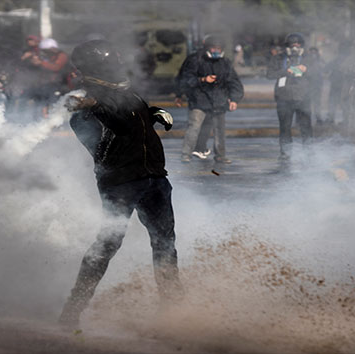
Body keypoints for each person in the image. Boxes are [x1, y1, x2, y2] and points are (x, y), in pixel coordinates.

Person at [59, 39, 182, 327]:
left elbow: (132, 118)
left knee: (165, 242)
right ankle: (73, 309)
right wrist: (96, 105)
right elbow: (116, 128)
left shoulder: (120, 90)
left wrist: (151, 113)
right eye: (111, 61)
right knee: (108, 243)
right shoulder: (84, 100)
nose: (118, 64)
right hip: (121, 182)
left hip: (154, 176)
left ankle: (173, 307)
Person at [178, 34, 244, 164]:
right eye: (213, 48)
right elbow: (186, 79)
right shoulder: (195, 60)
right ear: (207, 48)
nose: (216, 51)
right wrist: (202, 80)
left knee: (220, 130)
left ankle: (220, 155)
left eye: (218, 49)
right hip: (199, 100)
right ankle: (186, 154)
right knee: (194, 127)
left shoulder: (224, 62)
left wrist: (234, 99)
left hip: (219, 101)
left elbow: (233, 81)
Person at [266, 33, 316, 160]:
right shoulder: (278, 58)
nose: (295, 48)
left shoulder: (308, 58)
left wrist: (306, 70)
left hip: (303, 97)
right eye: (292, 45)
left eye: (298, 45)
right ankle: (285, 153)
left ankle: (309, 152)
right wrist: (285, 71)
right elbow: (269, 74)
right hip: (284, 98)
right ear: (286, 46)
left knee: (306, 127)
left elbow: (318, 74)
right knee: (285, 127)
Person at [308, 47, 325, 125]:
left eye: (314, 53)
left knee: (317, 102)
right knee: (306, 102)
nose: (313, 55)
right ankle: (305, 118)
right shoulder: (306, 61)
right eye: (312, 53)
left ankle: (318, 117)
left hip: (317, 85)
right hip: (308, 84)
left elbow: (324, 69)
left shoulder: (320, 61)